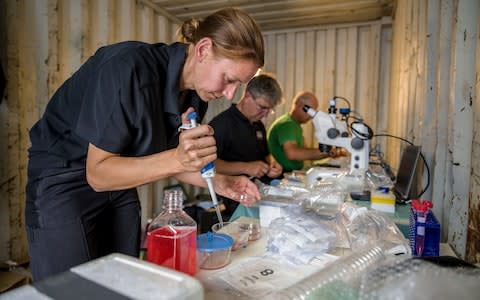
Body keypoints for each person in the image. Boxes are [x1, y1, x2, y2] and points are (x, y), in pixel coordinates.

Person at [25, 8, 264, 281]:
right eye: (229, 79)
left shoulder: (196, 95)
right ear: (203, 49)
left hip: (120, 180)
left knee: (123, 279)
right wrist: (177, 158)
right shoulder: (128, 69)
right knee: (70, 288)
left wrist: (221, 183)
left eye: (239, 85)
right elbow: (98, 174)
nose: (229, 94)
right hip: (64, 181)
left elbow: (168, 160)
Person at [209, 73, 283, 218]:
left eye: (269, 110)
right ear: (247, 96)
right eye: (262, 107)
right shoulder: (222, 125)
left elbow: (266, 155)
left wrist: (273, 164)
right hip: (235, 196)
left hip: (260, 190)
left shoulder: (258, 125)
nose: (265, 114)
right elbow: (208, 165)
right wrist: (246, 167)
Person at [267, 91, 343, 172]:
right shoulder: (287, 125)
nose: (311, 116)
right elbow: (292, 154)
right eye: (310, 111)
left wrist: (328, 154)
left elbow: (306, 155)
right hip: (282, 175)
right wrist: (326, 151)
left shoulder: (295, 125)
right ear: (299, 106)